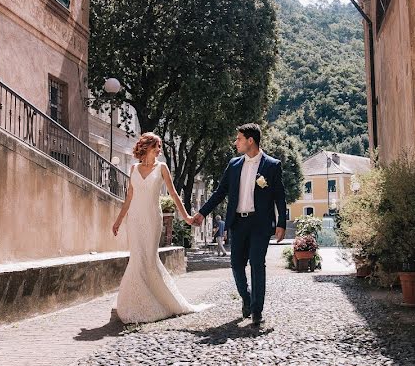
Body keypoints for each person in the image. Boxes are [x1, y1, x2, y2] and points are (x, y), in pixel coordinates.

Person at [192, 123, 286, 328]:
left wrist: (281, 224)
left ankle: (257, 311)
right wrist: (202, 213)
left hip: (260, 223)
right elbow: (219, 192)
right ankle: (246, 297)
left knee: (257, 264)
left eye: (239, 139)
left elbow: (279, 196)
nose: (236, 143)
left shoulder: (272, 165)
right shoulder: (234, 165)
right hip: (238, 223)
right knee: (236, 265)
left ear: (250, 140)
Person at [112, 132, 211, 324]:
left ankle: (160, 302)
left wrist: (187, 218)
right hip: (134, 219)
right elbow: (129, 198)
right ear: (147, 147)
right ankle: (133, 303)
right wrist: (118, 221)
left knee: (148, 259)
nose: (159, 150)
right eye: (157, 146)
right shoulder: (133, 168)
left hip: (152, 218)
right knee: (136, 259)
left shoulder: (162, 167)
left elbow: (173, 195)